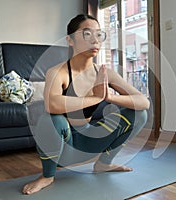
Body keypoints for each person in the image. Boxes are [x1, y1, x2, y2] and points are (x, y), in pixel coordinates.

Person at [23, 14, 150, 195]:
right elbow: (52, 105)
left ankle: (103, 164)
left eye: (98, 35)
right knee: (51, 118)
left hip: (90, 141)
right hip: (64, 146)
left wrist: (109, 97)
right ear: (70, 40)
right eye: (87, 34)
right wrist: (95, 99)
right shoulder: (57, 72)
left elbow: (143, 102)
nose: (95, 40)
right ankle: (47, 176)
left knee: (139, 113)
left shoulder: (103, 72)